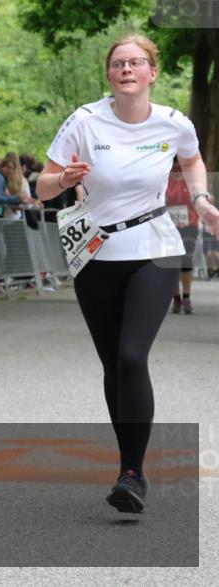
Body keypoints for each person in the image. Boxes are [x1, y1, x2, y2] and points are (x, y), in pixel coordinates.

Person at [37, 34, 219, 514]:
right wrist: (63, 180)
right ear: (109, 74)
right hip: (96, 251)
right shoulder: (84, 121)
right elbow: (41, 185)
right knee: (113, 364)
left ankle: (133, 473)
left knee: (133, 356)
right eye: (118, 63)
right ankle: (129, 464)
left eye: (136, 62)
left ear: (152, 73)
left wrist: (200, 199)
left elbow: (193, 160)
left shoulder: (172, 122)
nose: (127, 69)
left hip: (155, 247)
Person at [165, 158, 199, 314]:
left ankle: (186, 297)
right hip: (170, 227)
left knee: (186, 261)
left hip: (189, 225)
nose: (178, 166)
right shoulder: (165, 180)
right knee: (172, 262)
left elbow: (201, 197)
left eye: (180, 163)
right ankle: (176, 298)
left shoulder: (192, 180)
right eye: (175, 164)